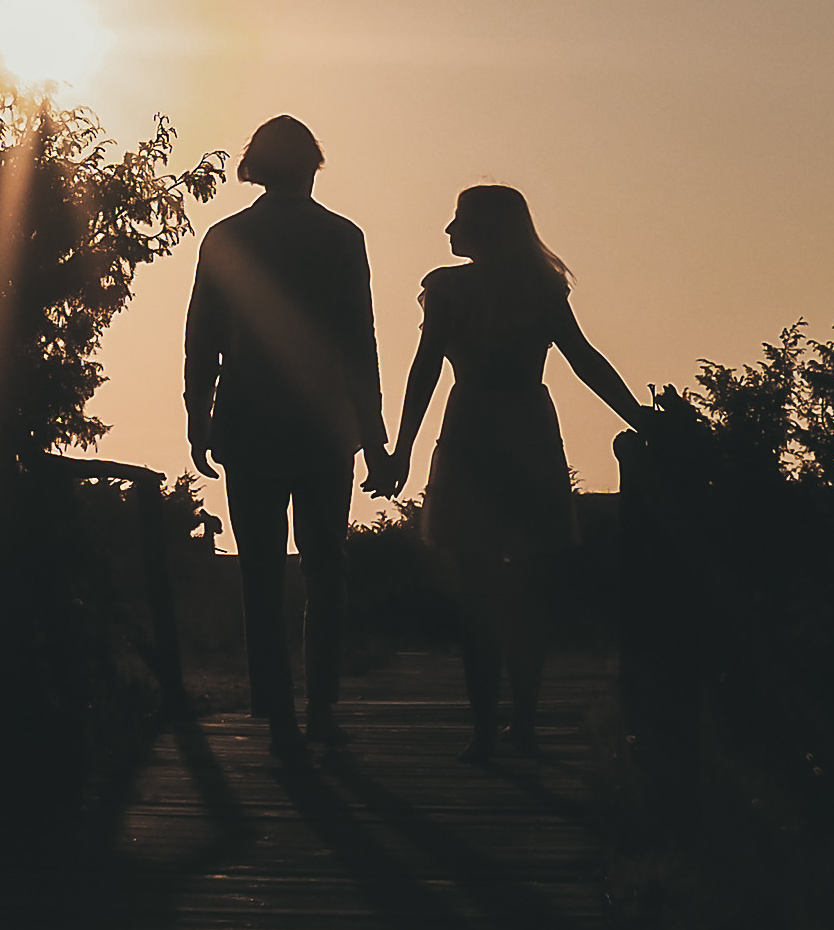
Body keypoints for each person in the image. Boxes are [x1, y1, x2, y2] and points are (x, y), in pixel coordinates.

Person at [382, 185, 644, 760]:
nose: (450, 232)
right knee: (526, 592)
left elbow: (427, 369)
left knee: (480, 592)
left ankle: (488, 729)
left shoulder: (450, 290)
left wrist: (402, 450)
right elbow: (583, 358)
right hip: (525, 426)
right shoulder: (538, 288)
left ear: (485, 228)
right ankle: (517, 724)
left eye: (459, 220)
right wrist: (640, 418)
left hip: (474, 427)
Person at [185, 115, 388, 755]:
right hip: (324, 424)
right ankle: (322, 707)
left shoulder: (227, 237)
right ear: (311, 165)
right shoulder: (341, 237)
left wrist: (198, 412)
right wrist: (374, 432)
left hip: (249, 421)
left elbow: (204, 337)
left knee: (261, 573)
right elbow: (360, 339)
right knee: (328, 568)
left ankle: (278, 716)